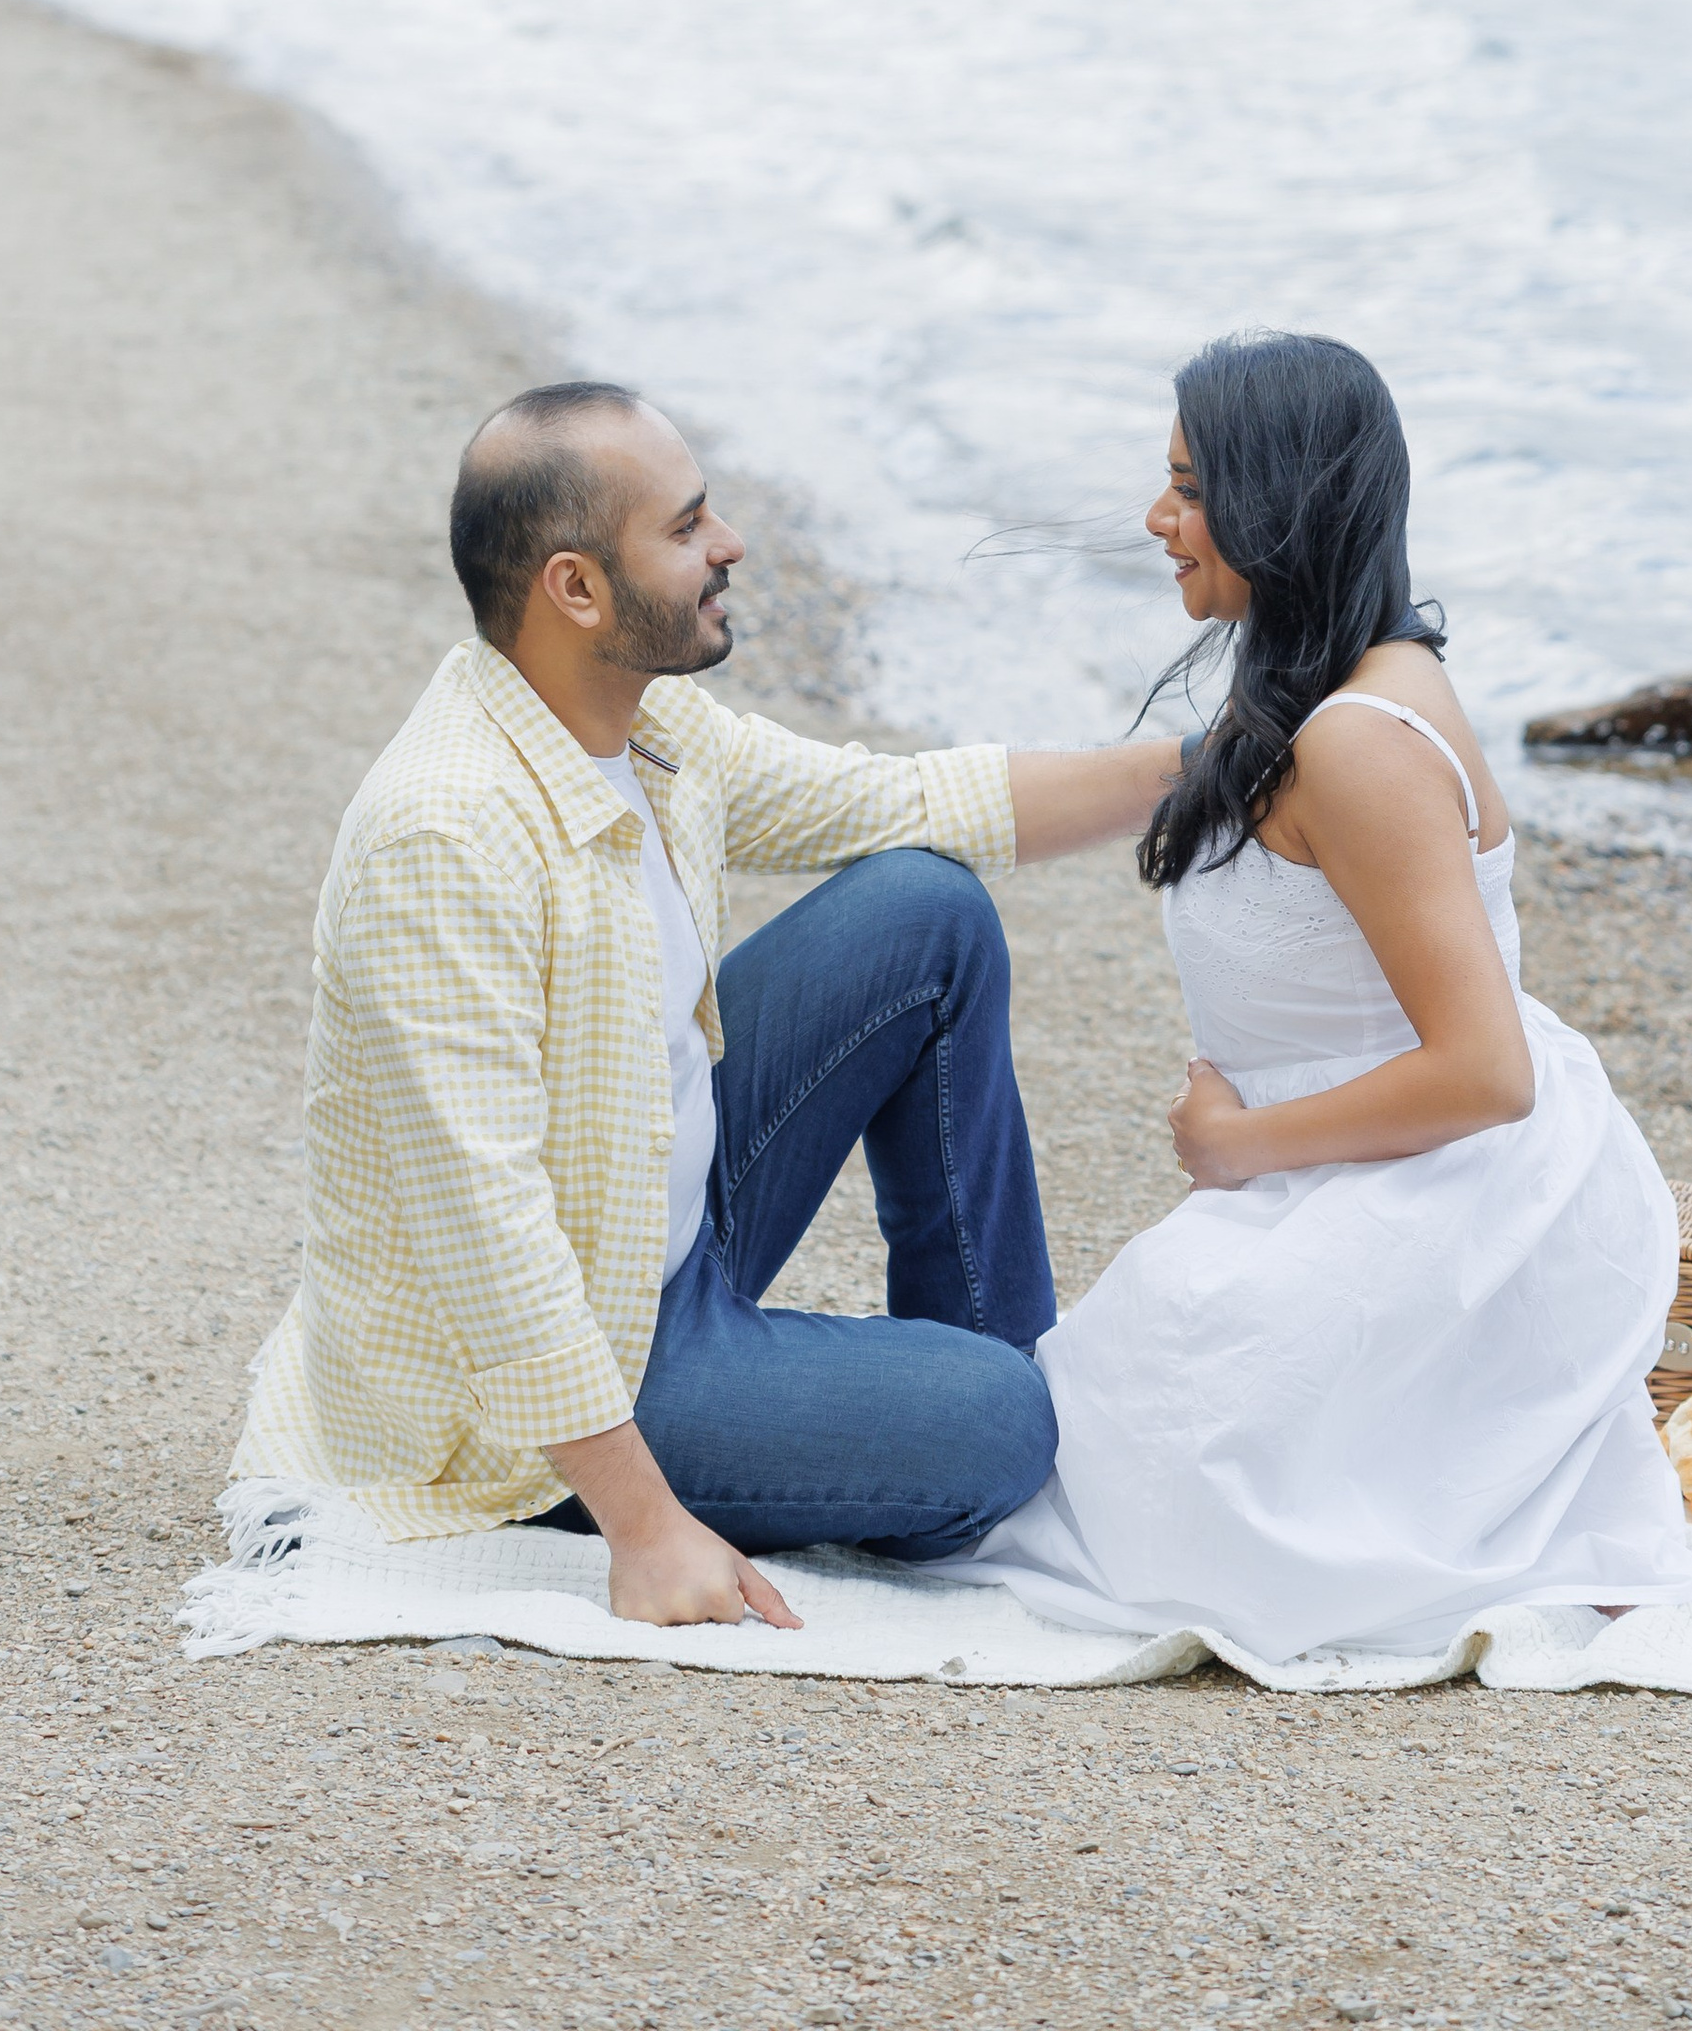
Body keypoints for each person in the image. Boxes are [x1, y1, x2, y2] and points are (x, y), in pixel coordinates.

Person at [231, 381, 1180, 1628]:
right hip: (569, 1380)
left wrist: (1227, 761)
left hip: (661, 1212)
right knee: (1008, 1430)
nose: (728, 544)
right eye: (686, 529)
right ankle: (968, 1433)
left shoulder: (649, 726)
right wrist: (644, 1524)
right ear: (575, 589)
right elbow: (487, 1230)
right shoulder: (442, 835)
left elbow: (908, 803)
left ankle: (966, 1378)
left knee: (922, 909)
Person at [935, 330, 1692, 1663]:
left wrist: (1234, 1146)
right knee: (1087, 1437)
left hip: (1447, 1186)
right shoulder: (1307, 700)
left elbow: (1486, 1072)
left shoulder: (1357, 743)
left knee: (1142, 1477)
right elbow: (1088, 791)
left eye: (1189, 486)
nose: (1158, 517)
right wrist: (831, 806)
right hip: (1353, 1172)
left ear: (1276, 503)